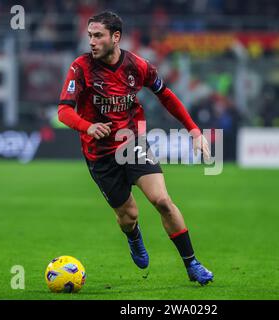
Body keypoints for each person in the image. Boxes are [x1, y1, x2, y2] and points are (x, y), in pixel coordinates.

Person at [57, 11, 213, 285]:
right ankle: (133, 235)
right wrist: (87, 126)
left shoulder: (137, 66)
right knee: (128, 216)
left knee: (163, 201)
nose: (91, 41)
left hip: (132, 143)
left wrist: (194, 131)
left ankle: (192, 264)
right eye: (90, 35)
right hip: (99, 154)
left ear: (115, 37)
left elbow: (165, 95)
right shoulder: (80, 68)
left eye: (98, 36)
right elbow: (63, 111)